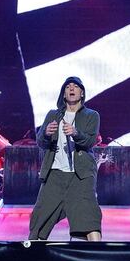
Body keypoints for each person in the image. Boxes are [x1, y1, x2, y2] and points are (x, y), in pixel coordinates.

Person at [29, 76, 103, 241]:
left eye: (75, 87)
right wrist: (47, 133)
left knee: (88, 215)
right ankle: (33, 258)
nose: (71, 89)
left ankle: (97, 256)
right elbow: (40, 142)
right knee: (41, 215)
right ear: (63, 94)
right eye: (68, 87)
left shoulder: (92, 115)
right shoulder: (52, 115)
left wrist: (76, 133)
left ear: (81, 93)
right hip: (54, 174)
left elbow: (90, 141)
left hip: (81, 175)